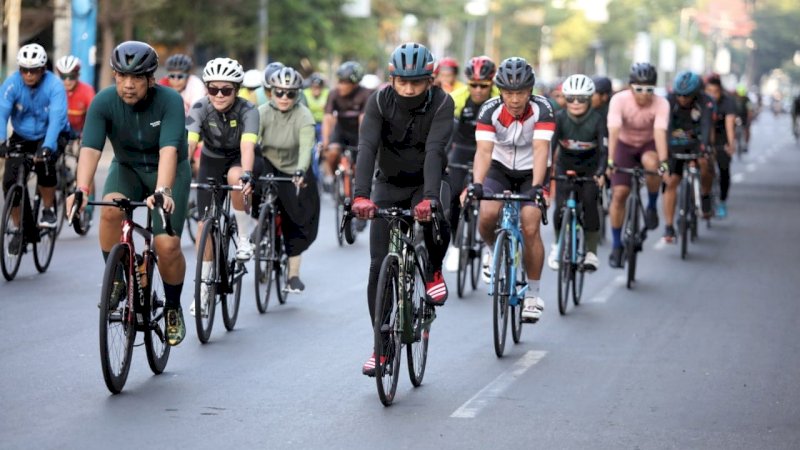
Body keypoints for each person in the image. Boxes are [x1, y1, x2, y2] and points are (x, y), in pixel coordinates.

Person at [65, 41, 191, 346]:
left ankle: (173, 305)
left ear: (151, 79)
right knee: (108, 211)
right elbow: (91, 149)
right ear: (114, 76)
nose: (129, 85)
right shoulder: (103, 101)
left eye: (137, 78)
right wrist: (81, 189)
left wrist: (162, 191)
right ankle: (119, 279)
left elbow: (169, 149)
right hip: (128, 168)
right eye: (122, 77)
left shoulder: (169, 100)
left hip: (168, 170)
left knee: (167, 245)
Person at [352, 42, 453, 376]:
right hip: (389, 182)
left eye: (417, 82)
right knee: (377, 264)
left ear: (430, 80)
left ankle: (434, 269)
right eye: (403, 82)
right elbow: (366, 147)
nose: (409, 89)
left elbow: (436, 151)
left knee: (436, 218)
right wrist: (361, 196)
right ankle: (381, 349)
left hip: (427, 181)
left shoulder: (442, 103)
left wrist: (429, 199)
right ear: (392, 79)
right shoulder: (379, 101)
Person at [470, 56, 554, 323]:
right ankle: (491, 249)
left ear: (530, 91)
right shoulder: (489, 110)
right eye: (508, 92)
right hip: (500, 168)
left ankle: (533, 294)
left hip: (533, 172)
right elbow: (483, 152)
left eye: (520, 93)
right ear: (500, 91)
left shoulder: (543, 109)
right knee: (485, 213)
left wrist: (539, 187)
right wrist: (477, 185)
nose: (515, 99)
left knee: (530, 225)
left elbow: (541, 150)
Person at [186, 58, 260, 315]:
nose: (218, 95)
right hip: (211, 160)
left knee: (236, 178)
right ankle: (204, 290)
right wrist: (180, 172)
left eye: (226, 90)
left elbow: (248, 146)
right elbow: (189, 144)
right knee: (202, 223)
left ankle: (242, 237)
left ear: (236, 90)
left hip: (240, 158)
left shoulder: (248, 110)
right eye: (213, 89)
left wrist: (248, 175)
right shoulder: (199, 107)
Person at [257, 66, 320, 293]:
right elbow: (252, 141)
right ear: (270, 92)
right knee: (250, 179)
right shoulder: (262, 112)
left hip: (295, 168)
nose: (284, 98)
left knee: (298, 215)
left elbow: (306, 148)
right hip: (269, 162)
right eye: (279, 92)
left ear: (297, 95)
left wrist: (301, 171)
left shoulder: (304, 115)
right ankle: (260, 226)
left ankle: (293, 274)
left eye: (290, 93)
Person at [0, 43, 68, 243]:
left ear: (43, 69)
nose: (29, 75)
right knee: (10, 181)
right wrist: (2, 141)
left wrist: (48, 146)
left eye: (34, 70)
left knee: (44, 163)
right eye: (24, 70)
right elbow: (2, 113)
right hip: (22, 135)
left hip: (50, 133)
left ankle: (48, 210)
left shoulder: (54, 86)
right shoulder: (12, 84)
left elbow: (56, 119)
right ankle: (18, 229)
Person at [607, 62, 670, 268]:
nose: (644, 94)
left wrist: (664, 162)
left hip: (647, 144)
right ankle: (617, 246)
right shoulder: (619, 100)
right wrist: (609, 161)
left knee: (652, 163)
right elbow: (614, 131)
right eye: (639, 89)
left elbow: (660, 132)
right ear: (630, 87)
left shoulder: (661, 103)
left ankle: (652, 205)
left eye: (649, 89)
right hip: (623, 146)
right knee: (619, 194)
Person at [443, 55, 499, 272]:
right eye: (473, 85)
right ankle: (456, 246)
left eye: (483, 85)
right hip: (463, 150)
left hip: (490, 152)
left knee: (492, 197)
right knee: (455, 196)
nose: (478, 90)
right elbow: (446, 133)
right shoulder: (457, 98)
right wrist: (443, 158)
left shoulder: (499, 99)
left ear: (492, 83)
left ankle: (491, 244)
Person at [546, 74, 606, 271]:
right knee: (560, 207)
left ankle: (591, 252)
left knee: (590, 203)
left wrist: (601, 172)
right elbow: (551, 147)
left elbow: (605, 150)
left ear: (589, 99)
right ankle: (557, 245)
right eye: (571, 98)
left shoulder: (598, 120)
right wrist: (547, 171)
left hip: (590, 169)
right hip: (566, 167)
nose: (576, 103)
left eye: (582, 98)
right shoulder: (560, 118)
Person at [661, 71, 714, 243]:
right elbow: (665, 126)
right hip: (675, 142)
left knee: (705, 163)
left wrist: (704, 147)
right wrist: (666, 150)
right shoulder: (668, 101)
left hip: (697, 140)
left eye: (687, 96)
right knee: (671, 182)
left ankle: (705, 195)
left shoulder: (705, 101)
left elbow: (706, 124)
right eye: (679, 95)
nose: (682, 99)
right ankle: (669, 227)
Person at [55, 55, 97, 217]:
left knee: (84, 161)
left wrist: (85, 137)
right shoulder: (56, 91)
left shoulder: (86, 91)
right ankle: (63, 175)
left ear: (77, 76)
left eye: (71, 77)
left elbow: (94, 118)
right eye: (63, 77)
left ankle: (89, 200)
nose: (67, 81)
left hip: (81, 131)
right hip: (62, 131)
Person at [321, 61, 370, 187]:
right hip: (341, 130)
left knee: (358, 165)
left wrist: (363, 144)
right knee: (332, 153)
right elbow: (328, 118)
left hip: (358, 131)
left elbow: (363, 119)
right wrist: (326, 141)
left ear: (355, 83)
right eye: (339, 81)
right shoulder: (333, 94)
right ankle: (333, 178)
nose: (340, 86)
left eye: (344, 82)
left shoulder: (365, 94)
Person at [704, 73, 737, 219]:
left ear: (720, 91)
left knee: (724, 168)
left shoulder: (727, 102)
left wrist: (731, 144)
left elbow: (730, 124)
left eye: (715, 92)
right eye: (709, 92)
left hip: (722, 136)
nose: (712, 95)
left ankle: (722, 201)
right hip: (705, 135)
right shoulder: (701, 101)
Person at [303, 73, 329, 141]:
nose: (316, 89)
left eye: (319, 87)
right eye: (314, 87)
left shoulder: (327, 93)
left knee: (323, 138)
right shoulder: (305, 93)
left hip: (323, 123)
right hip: (309, 122)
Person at [733, 84, 753, 153]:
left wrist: (749, 120)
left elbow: (750, 110)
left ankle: (746, 144)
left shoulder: (747, 100)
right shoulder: (734, 99)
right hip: (736, 118)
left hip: (745, 117)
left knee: (747, 130)